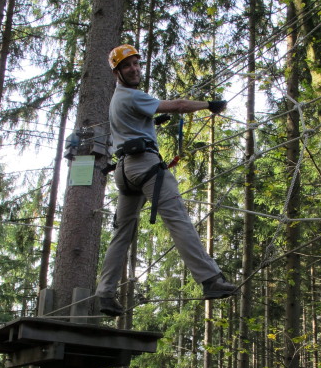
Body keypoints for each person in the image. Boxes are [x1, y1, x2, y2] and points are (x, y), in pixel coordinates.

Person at [95, 44, 237, 317]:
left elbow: (130, 125)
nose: (134, 69)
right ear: (117, 73)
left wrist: (151, 123)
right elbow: (180, 105)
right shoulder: (132, 95)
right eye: (127, 66)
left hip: (125, 173)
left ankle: (105, 293)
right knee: (177, 220)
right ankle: (210, 280)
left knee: (122, 234)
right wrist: (210, 105)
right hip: (144, 166)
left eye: (136, 63)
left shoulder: (118, 100)